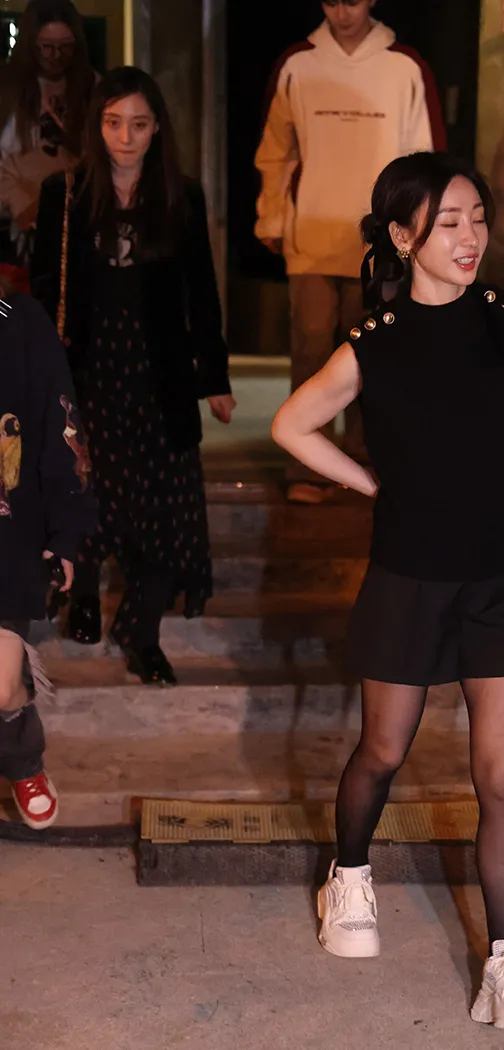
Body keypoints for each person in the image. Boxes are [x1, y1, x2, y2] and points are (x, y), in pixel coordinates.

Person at [272, 151, 504, 1029]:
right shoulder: (377, 339)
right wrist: (371, 484)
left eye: (478, 218)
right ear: (403, 237)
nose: (471, 237)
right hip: (407, 576)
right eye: (448, 223)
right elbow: (292, 424)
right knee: (383, 750)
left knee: (500, 772)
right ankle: (349, 874)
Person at [31, 67, 235, 686]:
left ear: (157, 129)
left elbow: (201, 291)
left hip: (158, 371)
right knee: (90, 486)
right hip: (89, 369)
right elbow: (45, 291)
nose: (126, 137)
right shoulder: (66, 194)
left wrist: (215, 375)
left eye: (139, 124)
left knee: (163, 505)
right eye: (114, 122)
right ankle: (84, 595)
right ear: (96, 126)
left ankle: (141, 631)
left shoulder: (180, 196)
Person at [256, 0, 446, 505]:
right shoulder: (299, 64)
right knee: (311, 351)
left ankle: (370, 463)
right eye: (334, 1)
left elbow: (424, 159)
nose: (343, 11)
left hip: (382, 238)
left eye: (354, 0)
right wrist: (271, 218)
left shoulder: (403, 66)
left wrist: (421, 229)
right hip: (313, 233)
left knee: (377, 351)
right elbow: (276, 152)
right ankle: (308, 467)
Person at [1, 282, 96, 829]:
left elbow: (62, 431)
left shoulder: (17, 318)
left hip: (6, 532)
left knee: (1, 686)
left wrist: (64, 534)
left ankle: (21, 759)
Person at [0, 0, 96, 292]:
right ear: (31, 44)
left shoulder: (92, 88)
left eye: (65, 47)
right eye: (47, 47)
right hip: (12, 230)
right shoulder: (7, 90)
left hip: (72, 223)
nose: (56, 56)